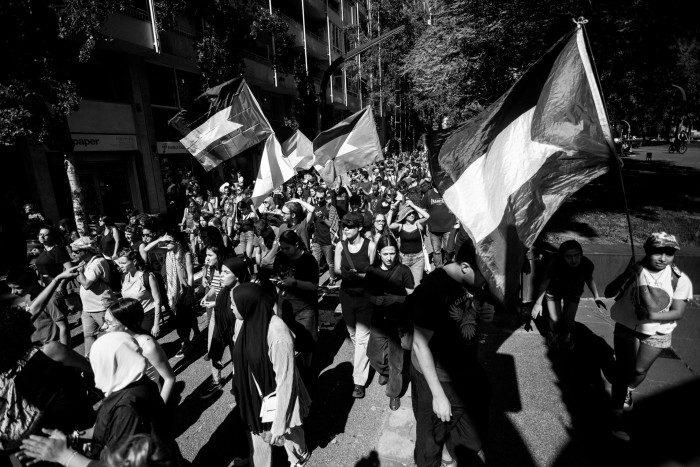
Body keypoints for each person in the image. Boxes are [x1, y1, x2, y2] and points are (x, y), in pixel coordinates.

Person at [20, 332, 182, 466]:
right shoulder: (137, 384)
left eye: (95, 361)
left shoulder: (126, 407)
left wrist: (65, 456)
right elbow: (107, 427)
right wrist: (73, 438)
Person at [408, 241, 494, 466]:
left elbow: (473, 306)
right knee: (429, 446)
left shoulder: (472, 279)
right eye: (485, 274)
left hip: (468, 370)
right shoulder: (433, 289)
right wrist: (437, 395)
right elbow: (419, 344)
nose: (488, 280)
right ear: (465, 267)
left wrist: (485, 311)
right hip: (438, 377)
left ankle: (450, 447)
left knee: (473, 439)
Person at [604, 232, 693, 441]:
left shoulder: (679, 279)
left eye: (669, 253)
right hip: (627, 325)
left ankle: (629, 388)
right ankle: (616, 416)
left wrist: (651, 315)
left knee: (639, 369)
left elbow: (678, 312)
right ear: (647, 250)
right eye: (657, 252)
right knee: (623, 370)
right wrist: (627, 274)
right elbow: (608, 292)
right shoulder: (636, 269)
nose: (663, 258)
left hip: (659, 330)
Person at [231, 283, 312, 467]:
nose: (231, 308)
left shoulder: (277, 334)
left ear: (247, 304)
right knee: (258, 436)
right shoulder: (246, 321)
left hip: (276, 396)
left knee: (290, 433)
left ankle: (299, 455)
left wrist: (280, 423)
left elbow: (285, 381)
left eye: (234, 304)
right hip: (254, 395)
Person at [1, 306, 95, 462]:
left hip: (41, 436)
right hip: (78, 421)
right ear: (22, 329)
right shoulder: (51, 350)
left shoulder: (7, 372)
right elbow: (90, 369)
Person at [366, 235, 415, 411]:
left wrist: (396, 298)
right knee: (373, 354)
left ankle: (394, 394)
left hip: (398, 321)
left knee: (397, 361)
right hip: (378, 320)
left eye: (392, 253)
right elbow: (366, 293)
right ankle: (384, 371)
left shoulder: (404, 271)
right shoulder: (372, 271)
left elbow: (413, 295)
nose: (389, 257)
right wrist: (374, 299)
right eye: (385, 253)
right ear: (379, 253)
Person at [530, 240, 606, 350]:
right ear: (562, 257)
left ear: (581, 255)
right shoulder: (554, 263)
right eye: (569, 256)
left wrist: (597, 296)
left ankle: (566, 335)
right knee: (555, 319)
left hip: (574, 289)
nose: (573, 260)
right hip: (554, 289)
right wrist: (538, 303)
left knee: (569, 320)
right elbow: (544, 282)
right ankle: (553, 333)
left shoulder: (586, 264)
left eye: (576, 255)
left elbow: (589, 279)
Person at [334, 212, 377, 398]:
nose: (346, 229)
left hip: (365, 298)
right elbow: (335, 269)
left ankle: (358, 381)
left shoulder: (371, 246)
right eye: (344, 226)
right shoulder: (339, 246)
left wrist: (359, 276)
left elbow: (376, 273)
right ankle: (368, 355)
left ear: (359, 228)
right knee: (353, 335)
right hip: (346, 296)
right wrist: (346, 274)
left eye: (350, 226)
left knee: (361, 339)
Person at [104, 299, 176, 405]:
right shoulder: (116, 340)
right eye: (104, 321)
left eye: (109, 323)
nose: (103, 327)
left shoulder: (147, 346)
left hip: (149, 403)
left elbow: (169, 379)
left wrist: (160, 410)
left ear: (125, 324)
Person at [144, 230, 198, 358]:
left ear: (178, 242)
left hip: (184, 289)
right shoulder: (167, 251)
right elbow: (147, 249)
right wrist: (159, 239)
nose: (166, 244)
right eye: (166, 242)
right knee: (184, 315)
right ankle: (194, 335)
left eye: (169, 242)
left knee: (183, 316)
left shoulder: (186, 254)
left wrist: (190, 292)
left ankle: (187, 342)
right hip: (172, 290)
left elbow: (190, 275)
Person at [274, 230, 320, 371]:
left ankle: (307, 368)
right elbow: (276, 276)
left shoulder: (309, 260)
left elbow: (313, 285)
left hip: (305, 308)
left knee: (306, 342)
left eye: (287, 248)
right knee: (286, 340)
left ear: (296, 244)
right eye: (282, 248)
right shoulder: (280, 256)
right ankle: (290, 368)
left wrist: (294, 282)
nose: (284, 251)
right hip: (285, 305)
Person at [5, 266, 79, 347]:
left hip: (51, 347)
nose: (13, 292)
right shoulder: (28, 297)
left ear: (31, 282)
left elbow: (63, 327)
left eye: (17, 288)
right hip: (37, 346)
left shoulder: (51, 299)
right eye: (11, 288)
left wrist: (66, 351)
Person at [71, 237, 118, 357]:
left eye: (76, 251)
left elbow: (86, 284)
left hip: (101, 306)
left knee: (111, 334)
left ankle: (116, 357)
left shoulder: (97, 262)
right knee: (88, 335)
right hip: (87, 308)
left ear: (86, 250)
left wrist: (80, 272)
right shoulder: (85, 263)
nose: (73, 254)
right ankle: (90, 359)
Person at [116, 249, 163, 338]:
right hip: (133, 317)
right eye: (119, 263)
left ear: (134, 261)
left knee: (144, 340)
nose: (120, 266)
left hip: (147, 314)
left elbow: (157, 301)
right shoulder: (124, 278)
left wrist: (156, 324)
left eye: (123, 263)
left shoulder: (147, 277)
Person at [390, 199, 430, 287]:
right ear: (404, 215)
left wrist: (413, 205)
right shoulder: (400, 226)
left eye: (413, 213)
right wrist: (391, 211)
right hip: (404, 259)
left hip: (418, 259)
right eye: (409, 213)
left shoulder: (418, 224)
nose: (412, 215)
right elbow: (389, 225)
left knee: (416, 285)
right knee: (404, 284)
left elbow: (427, 216)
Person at [310, 186, 339, 285]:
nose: (319, 200)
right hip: (317, 239)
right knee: (315, 263)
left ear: (325, 197)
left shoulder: (330, 208)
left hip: (327, 239)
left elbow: (332, 224)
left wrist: (323, 217)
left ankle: (332, 278)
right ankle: (315, 282)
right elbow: (310, 223)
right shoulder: (313, 207)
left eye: (321, 198)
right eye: (317, 198)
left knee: (330, 262)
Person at [420, 186, 455, 268]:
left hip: (448, 227)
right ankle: (438, 270)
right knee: (436, 251)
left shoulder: (449, 192)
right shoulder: (428, 194)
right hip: (433, 229)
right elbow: (424, 209)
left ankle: (447, 269)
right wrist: (424, 225)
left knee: (448, 250)